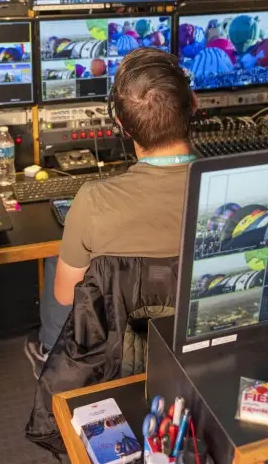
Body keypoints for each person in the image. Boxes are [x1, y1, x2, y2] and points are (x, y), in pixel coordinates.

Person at [24, 48, 195, 377]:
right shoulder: (231, 189)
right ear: (194, 105)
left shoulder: (92, 201)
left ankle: (49, 351)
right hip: (199, 345)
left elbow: (65, 295)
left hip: (121, 359)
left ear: (121, 125)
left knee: (58, 261)